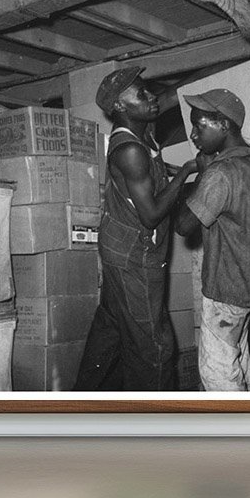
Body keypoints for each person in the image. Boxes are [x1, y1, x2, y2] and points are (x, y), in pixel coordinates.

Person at [74, 66, 196, 391]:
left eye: (148, 89)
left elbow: (170, 97)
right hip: (135, 259)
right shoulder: (130, 150)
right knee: (154, 346)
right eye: (141, 95)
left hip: (117, 248)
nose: (151, 97)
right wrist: (185, 172)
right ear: (120, 107)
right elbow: (152, 214)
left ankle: (81, 401)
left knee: (112, 327)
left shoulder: (142, 130)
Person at [175, 88, 250, 391]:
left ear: (223, 124)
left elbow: (184, 225)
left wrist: (202, 174)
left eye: (199, 126)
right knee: (239, 360)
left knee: (217, 373)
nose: (193, 135)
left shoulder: (221, 172)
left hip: (225, 290)